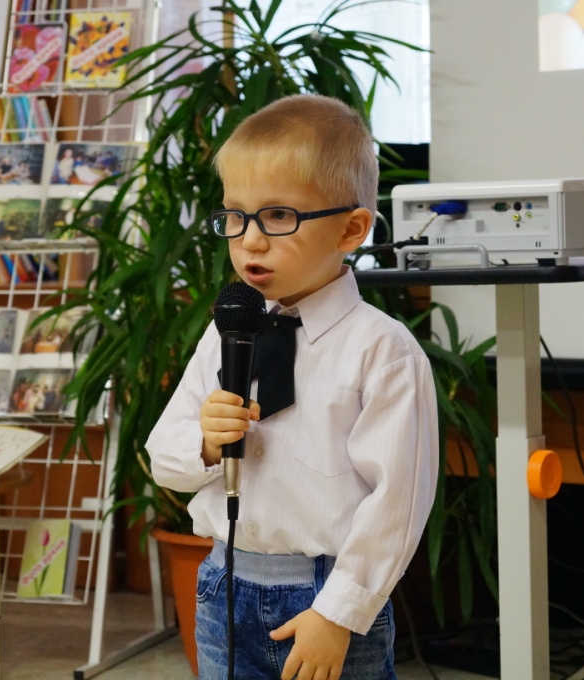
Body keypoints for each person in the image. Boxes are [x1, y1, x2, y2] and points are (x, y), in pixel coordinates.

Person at [146, 94, 438, 680]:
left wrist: (339, 612)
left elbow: (398, 501)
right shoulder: (226, 332)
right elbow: (165, 462)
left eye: (278, 216)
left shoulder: (381, 349)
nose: (250, 240)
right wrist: (205, 443)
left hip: (323, 595)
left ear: (351, 229)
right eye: (235, 216)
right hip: (224, 583)